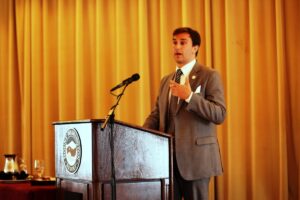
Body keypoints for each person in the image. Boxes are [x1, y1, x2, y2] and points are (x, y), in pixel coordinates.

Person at [143, 27, 226, 200]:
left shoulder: (209, 75)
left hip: (196, 161)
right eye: (174, 42)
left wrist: (189, 96)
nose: (177, 47)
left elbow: (219, 113)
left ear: (195, 47)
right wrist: (141, 134)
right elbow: (157, 114)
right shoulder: (166, 80)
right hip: (167, 163)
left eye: (183, 42)